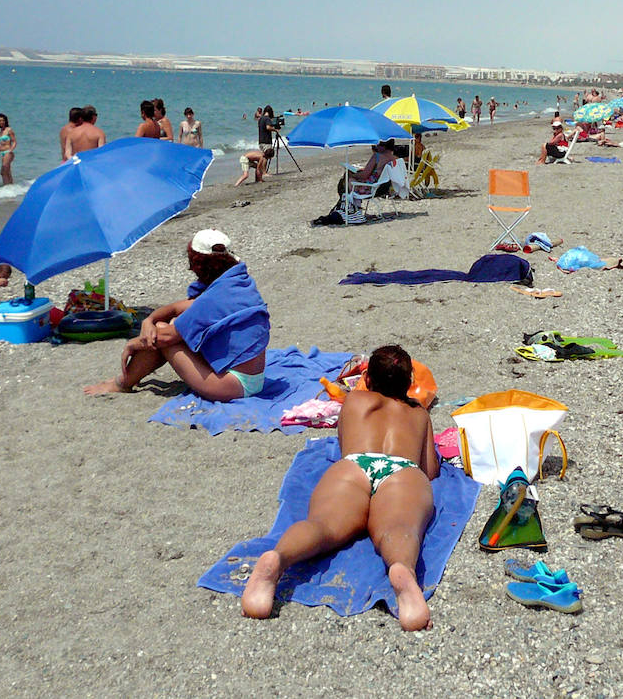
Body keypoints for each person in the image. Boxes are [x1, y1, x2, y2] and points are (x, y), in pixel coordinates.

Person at [241, 345, 439, 631]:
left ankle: (278, 558)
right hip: (401, 470)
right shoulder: (419, 413)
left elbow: (347, 446)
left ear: (367, 379)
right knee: (398, 529)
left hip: (355, 466)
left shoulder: (354, 400)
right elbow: (429, 470)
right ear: (409, 384)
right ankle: (401, 569)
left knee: (322, 525)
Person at [84, 230, 269, 400]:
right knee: (168, 324)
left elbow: (164, 338)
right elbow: (176, 308)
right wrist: (149, 319)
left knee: (163, 333)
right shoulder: (236, 283)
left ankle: (122, 383)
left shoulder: (213, 300)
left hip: (231, 386)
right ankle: (128, 379)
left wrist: (132, 344)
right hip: (253, 379)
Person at [0, 113, 17, 186]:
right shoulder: (1, 131)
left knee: (3, 171)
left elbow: (14, 142)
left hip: (8, 152)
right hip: (3, 153)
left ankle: (6, 187)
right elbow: (1, 145)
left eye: (3, 120)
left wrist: (11, 150)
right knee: (7, 172)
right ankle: (11, 187)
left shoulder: (9, 130)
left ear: (5, 121)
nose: (1, 122)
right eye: (0, 121)